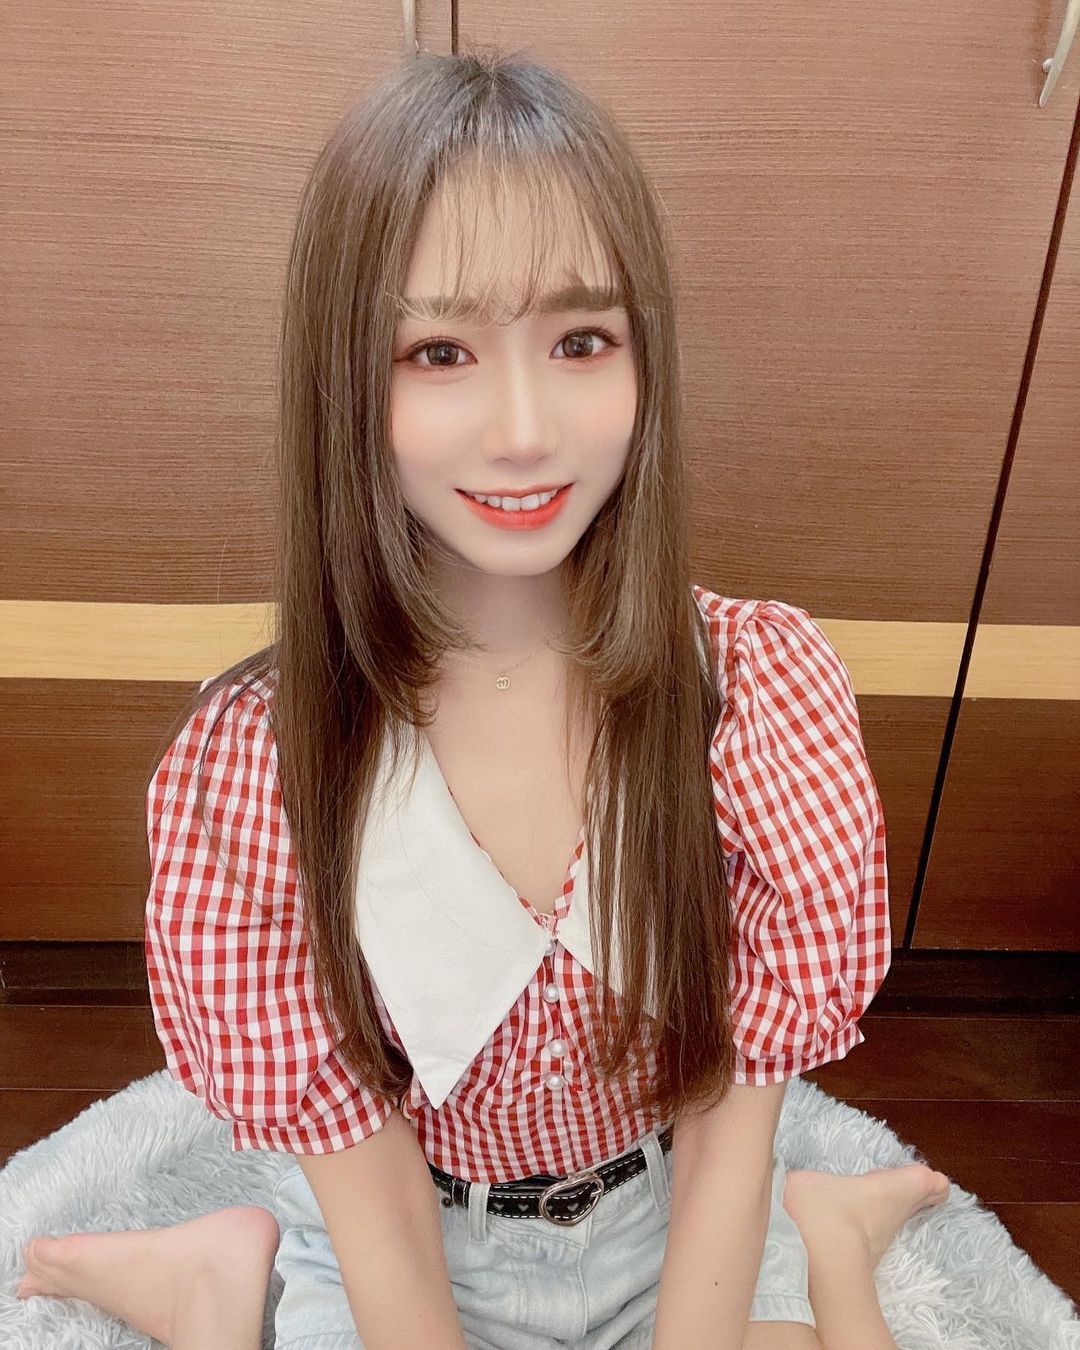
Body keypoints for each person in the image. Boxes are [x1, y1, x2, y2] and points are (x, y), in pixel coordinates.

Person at [15, 46, 950, 1350]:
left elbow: (729, 1122)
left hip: (664, 1209)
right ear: (349, 374)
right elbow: (381, 1208)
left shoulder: (750, 698)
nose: (524, 429)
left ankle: (832, 1229)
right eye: (441, 350)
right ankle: (217, 1272)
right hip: (417, 1230)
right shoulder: (264, 770)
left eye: (581, 340)